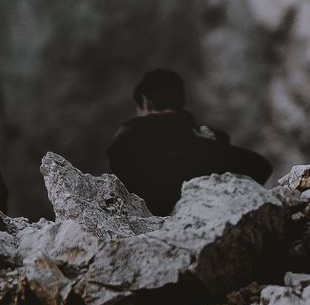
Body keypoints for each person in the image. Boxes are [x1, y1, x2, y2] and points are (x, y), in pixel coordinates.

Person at [106, 67, 271, 218]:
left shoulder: (131, 136)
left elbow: (119, 163)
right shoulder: (208, 138)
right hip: (218, 217)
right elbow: (261, 166)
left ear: (145, 102)